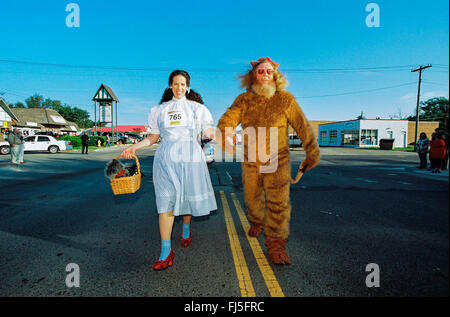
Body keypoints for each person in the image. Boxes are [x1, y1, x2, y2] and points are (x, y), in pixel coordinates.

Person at [216, 57, 320, 265]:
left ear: (275, 76)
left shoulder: (285, 99)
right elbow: (228, 118)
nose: (264, 75)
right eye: (260, 71)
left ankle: (276, 244)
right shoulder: (243, 100)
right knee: (252, 198)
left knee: (278, 203)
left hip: (278, 160)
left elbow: (303, 126)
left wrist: (311, 152)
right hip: (251, 160)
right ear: (253, 75)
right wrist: (227, 133)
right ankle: (256, 220)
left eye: (268, 72)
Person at [121, 70, 217, 270]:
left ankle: (186, 227)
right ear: (170, 86)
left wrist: (210, 133)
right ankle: (166, 251)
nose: (179, 87)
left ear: (187, 86)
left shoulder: (196, 108)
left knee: (187, 198)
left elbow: (208, 129)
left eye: (183, 84)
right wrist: (133, 147)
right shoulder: (159, 110)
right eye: (175, 84)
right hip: (165, 159)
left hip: (190, 157)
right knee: (165, 203)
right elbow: (153, 137)